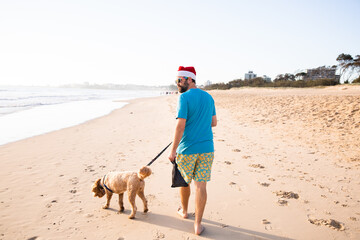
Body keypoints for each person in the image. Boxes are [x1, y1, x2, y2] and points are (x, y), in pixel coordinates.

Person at [168, 66, 217, 235]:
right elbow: (214, 123)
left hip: (187, 149)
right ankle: (198, 224)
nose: (177, 84)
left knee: (184, 182)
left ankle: (184, 211)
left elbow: (180, 126)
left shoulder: (184, 98)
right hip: (206, 149)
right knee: (201, 186)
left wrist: (173, 150)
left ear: (189, 79)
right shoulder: (209, 97)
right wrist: (199, 122)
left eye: (179, 80)